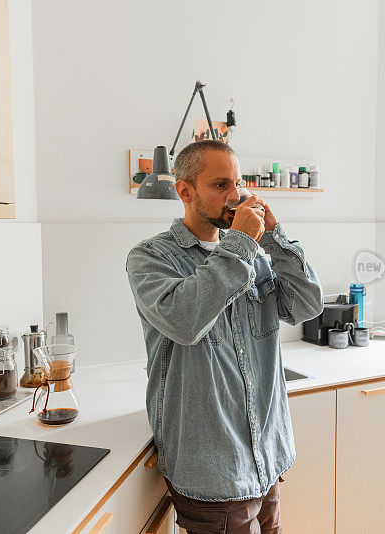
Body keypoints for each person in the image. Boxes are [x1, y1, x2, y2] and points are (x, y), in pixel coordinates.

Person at [126, 140, 323, 533]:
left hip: (266, 457)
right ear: (185, 191)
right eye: (220, 185)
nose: (235, 196)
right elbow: (185, 321)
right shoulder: (151, 258)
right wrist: (243, 243)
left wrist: (272, 237)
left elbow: (306, 305)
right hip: (213, 472)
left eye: (238, 183)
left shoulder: (255, 255)